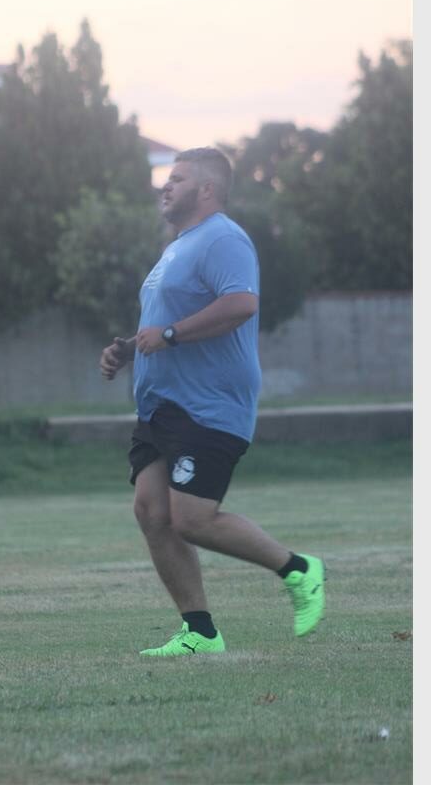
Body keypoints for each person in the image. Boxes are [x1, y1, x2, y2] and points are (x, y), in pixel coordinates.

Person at [99, 147, 325, 656]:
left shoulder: (223, 237)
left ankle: (300, 569)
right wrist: (128, 351)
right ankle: (200, 632)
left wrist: (173, 334)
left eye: (177, 179)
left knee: (192, 518)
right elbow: (161, 327)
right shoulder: (177, 248)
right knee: (151, 509)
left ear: (206, 189)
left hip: (209, 406)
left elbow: (241, 305)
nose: (166, 186)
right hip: (162, 405)